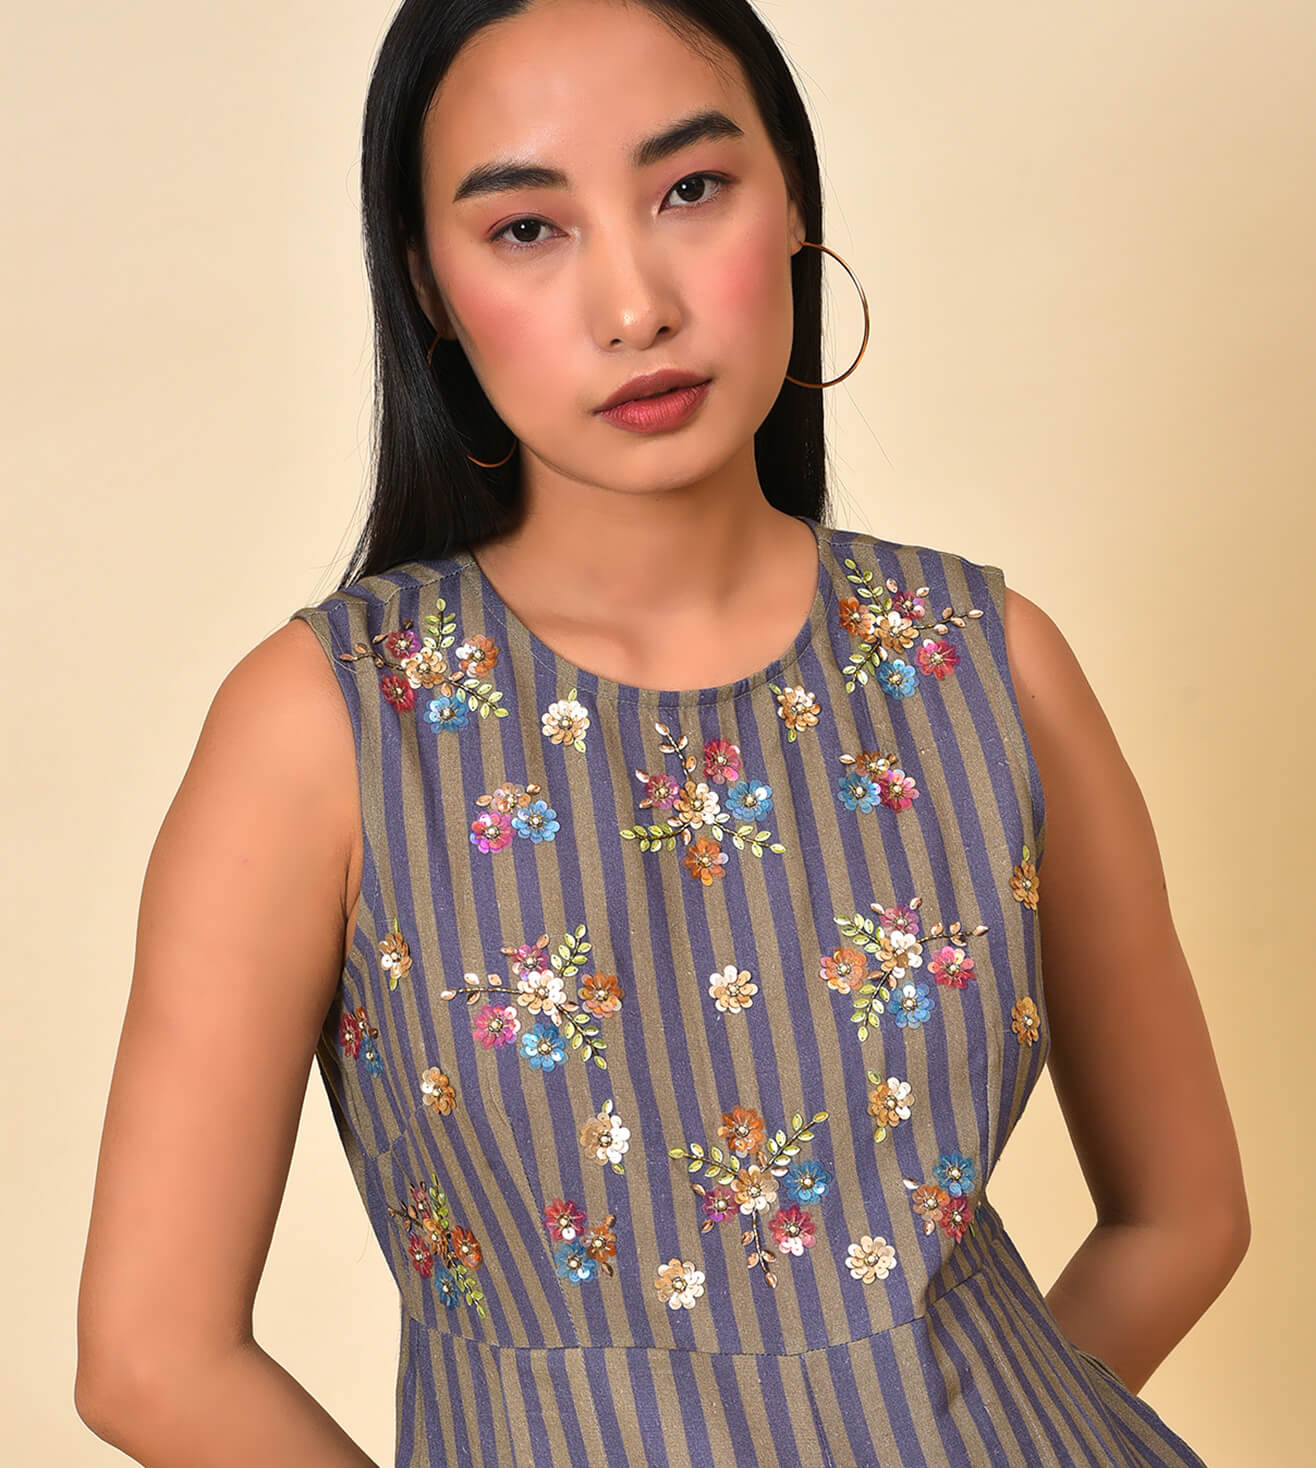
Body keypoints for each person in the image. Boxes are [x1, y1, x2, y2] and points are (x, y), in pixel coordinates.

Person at [75, 1, 1248, 1463]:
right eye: (526, 228)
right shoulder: (332, 723)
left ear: (795, 199)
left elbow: (1185, 1215)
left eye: (691, 189)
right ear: (429, 285)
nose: (634, 305)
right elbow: (151, 1361)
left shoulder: (983, 663)